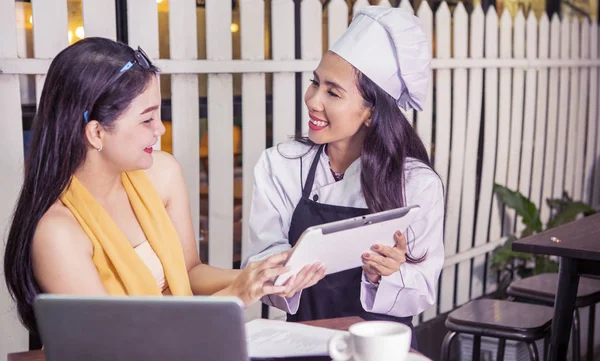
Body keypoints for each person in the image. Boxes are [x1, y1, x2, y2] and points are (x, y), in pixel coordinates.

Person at [3, 37, 305, 334]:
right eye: (146, 120)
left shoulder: (162, 173)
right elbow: (115, 346)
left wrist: (258, 277)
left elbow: (189, 273)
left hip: (184, 352)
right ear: (96, 132)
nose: (160, 129)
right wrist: (235, 295)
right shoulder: (57, 233)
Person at [243, 6, 444, 336]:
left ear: (371, 112)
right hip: (301, 345)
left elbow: (421, 291)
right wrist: (286, 268)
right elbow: (257, 270)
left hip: (382, 356)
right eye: (315, 83)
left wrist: (386, 275)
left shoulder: (416, 183)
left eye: (332, 92)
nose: (312, 100)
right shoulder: (281, 165)